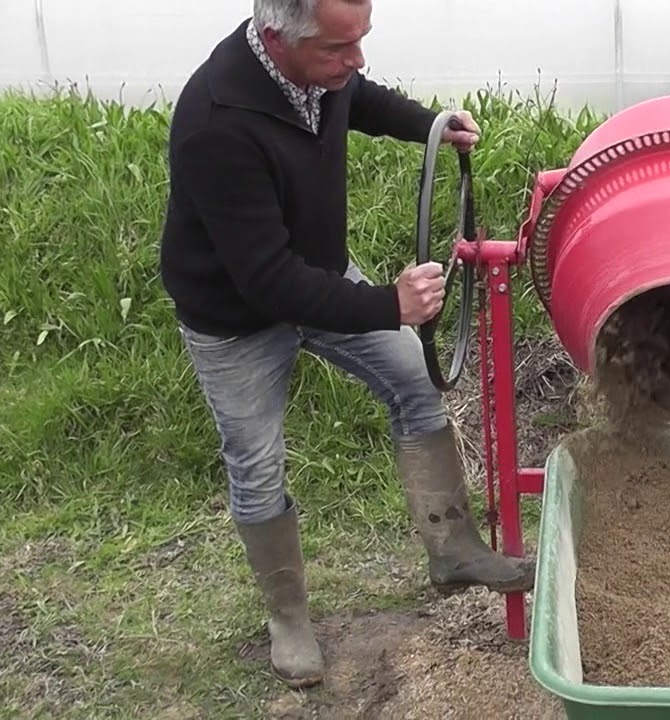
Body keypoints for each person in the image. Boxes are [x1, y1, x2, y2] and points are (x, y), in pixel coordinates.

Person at [158, 0, 535, 688]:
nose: (355, 59)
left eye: (362, 39)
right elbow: (269, 281)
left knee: (417, 382)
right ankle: (289, 616)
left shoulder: (317, 69)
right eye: (339, 47)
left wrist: (428, 126)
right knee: (256, 463)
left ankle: (452, 550)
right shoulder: (216, 124)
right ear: (277, 37)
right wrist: (389, 304)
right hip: (236, 317)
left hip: (319, 274)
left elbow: (354, 94)